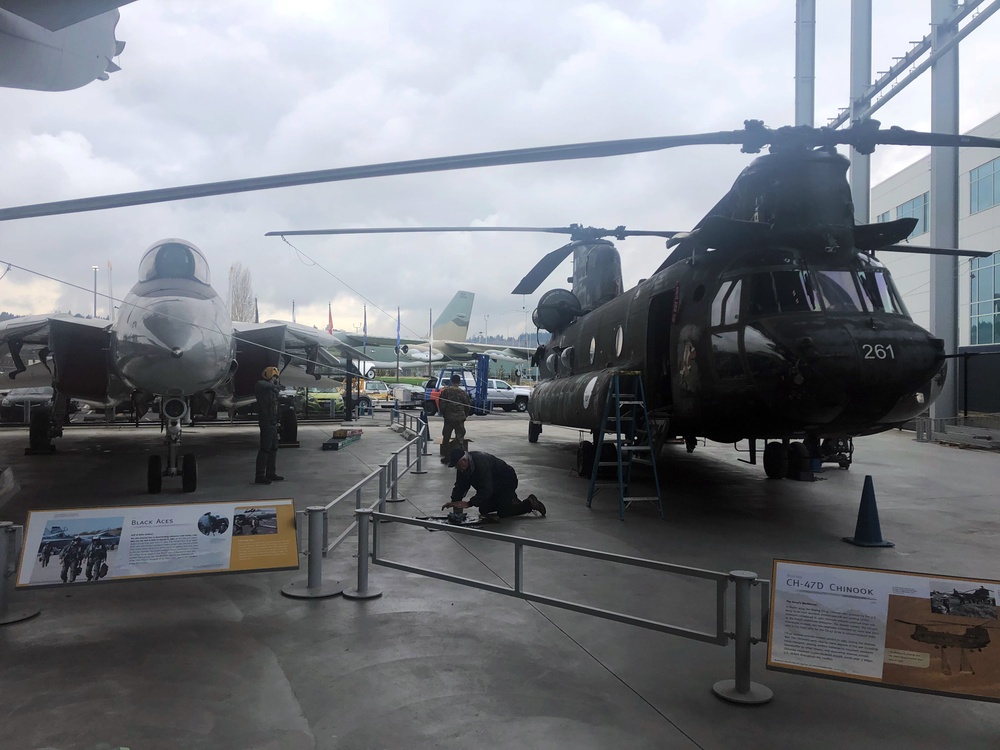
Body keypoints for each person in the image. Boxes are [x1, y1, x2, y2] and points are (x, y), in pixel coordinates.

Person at [442, 448, 546, 518]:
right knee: (483, 509)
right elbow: (460, 486)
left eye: (457, 465)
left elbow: (486, 488)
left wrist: (469, 503)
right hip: (494, 484)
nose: (457, 468)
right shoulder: (462, 468)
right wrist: (455, 502)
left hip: (506, 481)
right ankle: (510, 500)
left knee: (503, 512)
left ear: (464, 460)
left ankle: (530, 503)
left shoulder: (481, 462)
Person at [255, 366, 285, 484]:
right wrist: (275, 386)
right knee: (265, 448)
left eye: (276, 377)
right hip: (266, 422)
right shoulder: (261, 386)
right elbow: (262, 385)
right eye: (274, 377)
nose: (275, 379)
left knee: (273, 448)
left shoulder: (272, 390)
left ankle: (270, 472)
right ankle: (260, 475)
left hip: (272, 422)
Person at [438, 373, 472, 460]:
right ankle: (460, 458)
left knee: (446, 437)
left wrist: (443, 413)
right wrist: (465, 415)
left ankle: (447, 457)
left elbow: (442, 404)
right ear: (459, 382)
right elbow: (467, 405)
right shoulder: (462, 392)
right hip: (459, 418)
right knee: (459, 439)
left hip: (449, 418)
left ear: (451, 381)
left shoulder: (445, 391)